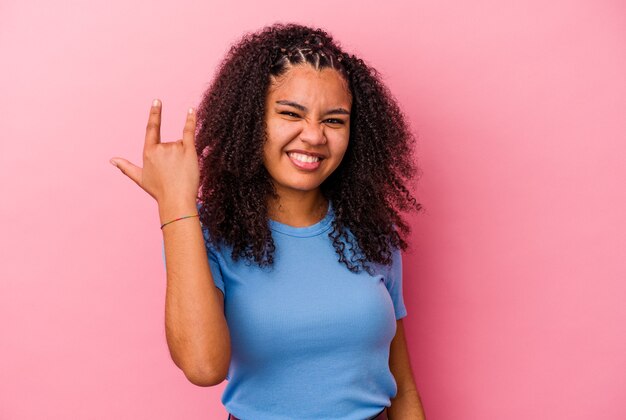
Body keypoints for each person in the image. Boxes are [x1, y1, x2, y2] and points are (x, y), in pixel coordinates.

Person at [110, 22, 426, 420]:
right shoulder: (207, 232)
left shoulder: (372, 233)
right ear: (250, 121)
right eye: (291, 113)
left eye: (334, 120)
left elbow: (402, 388)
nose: (313, 136)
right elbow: (204, 367)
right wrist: (175, 204)